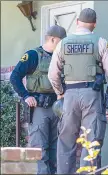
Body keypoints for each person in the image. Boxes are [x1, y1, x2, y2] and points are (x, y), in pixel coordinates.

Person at [47, 8, 108, 174]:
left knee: (66, 141)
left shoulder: (62, 43)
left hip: (69, 95)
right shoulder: (101, 42)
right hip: (92, 95)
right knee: (92, 140)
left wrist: (60, 93)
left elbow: (52, 74)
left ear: (77, 22)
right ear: (94, 24)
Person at [10, 25, 67, 174]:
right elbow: (15, 76)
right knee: (39, 148)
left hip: (57, 108)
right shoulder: (33, 55)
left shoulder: (61, 58)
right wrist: (26, 95)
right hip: (39, 108)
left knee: (55, 148)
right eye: (61, 42)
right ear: (53, 39)